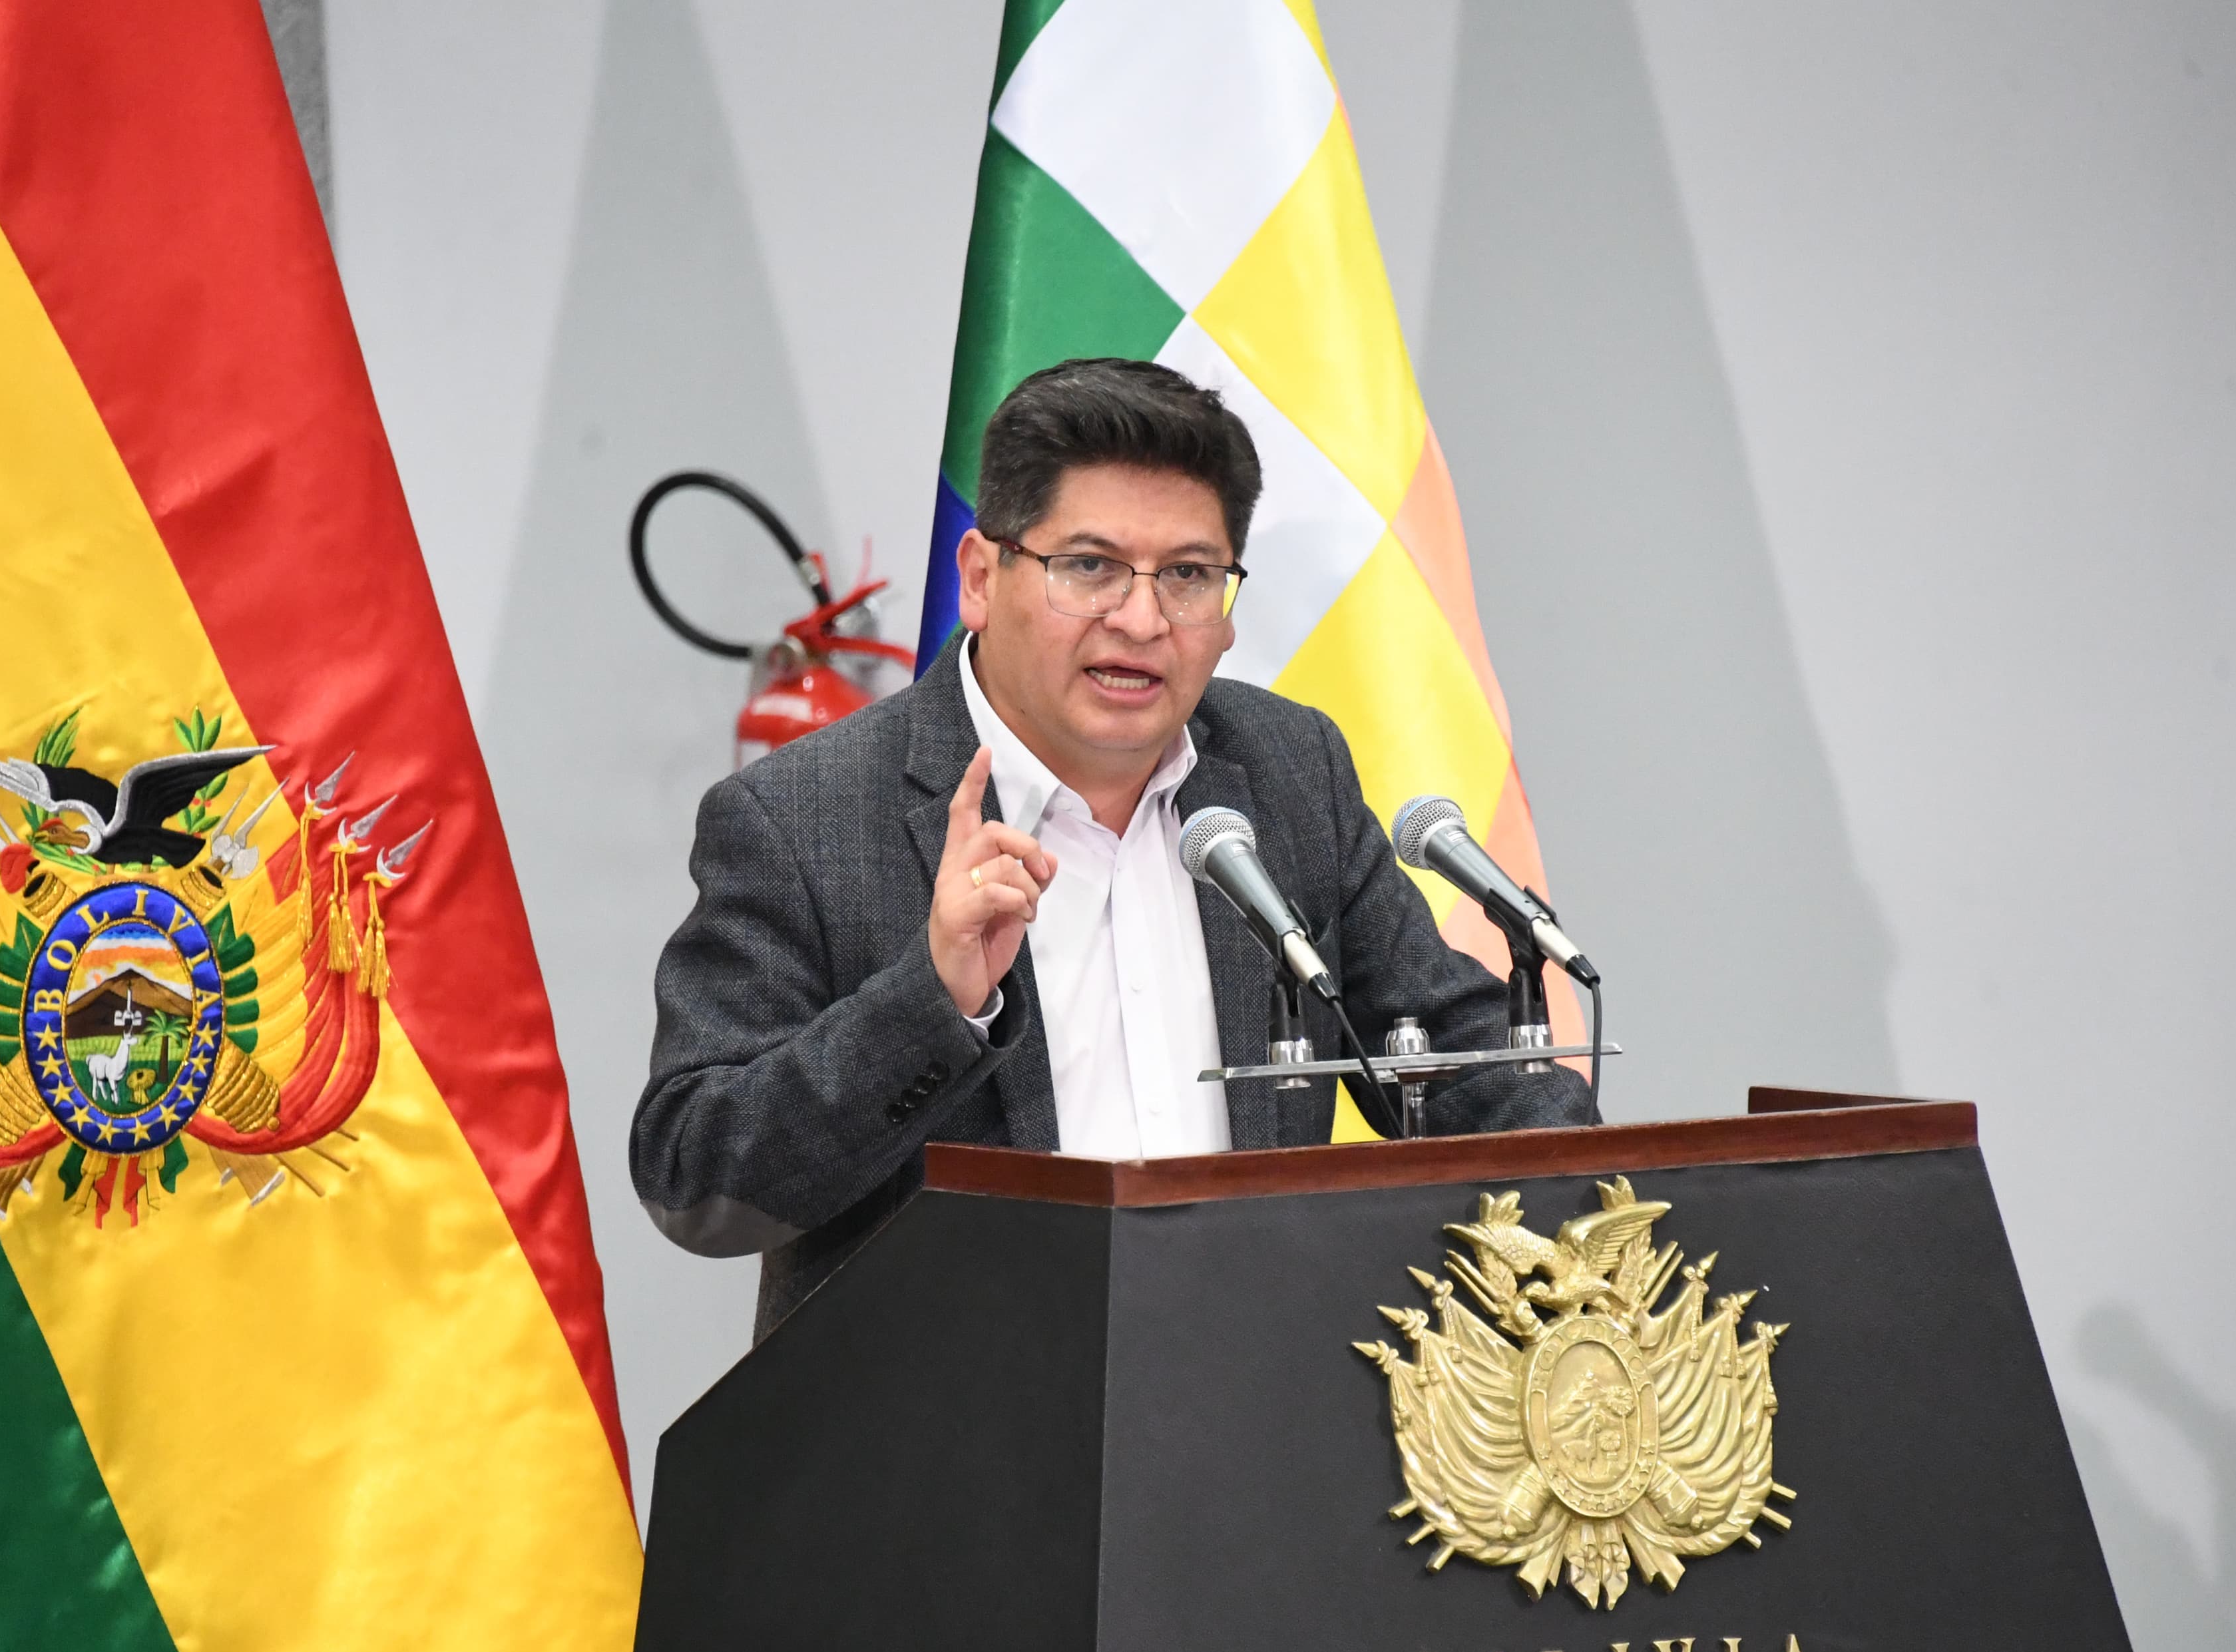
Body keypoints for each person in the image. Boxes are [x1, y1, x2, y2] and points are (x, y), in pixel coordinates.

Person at [632, 359, 1595, 1335]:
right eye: (1089, 566)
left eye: (1188, 576)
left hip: (1256, 1393)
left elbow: (1456, 1061)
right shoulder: (803, 818)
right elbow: (695, 1180)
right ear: (981, 579)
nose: (1141, 621)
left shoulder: (1289, 772)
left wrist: (1605, 1206)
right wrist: (932, 1001)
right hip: (955, 1417)